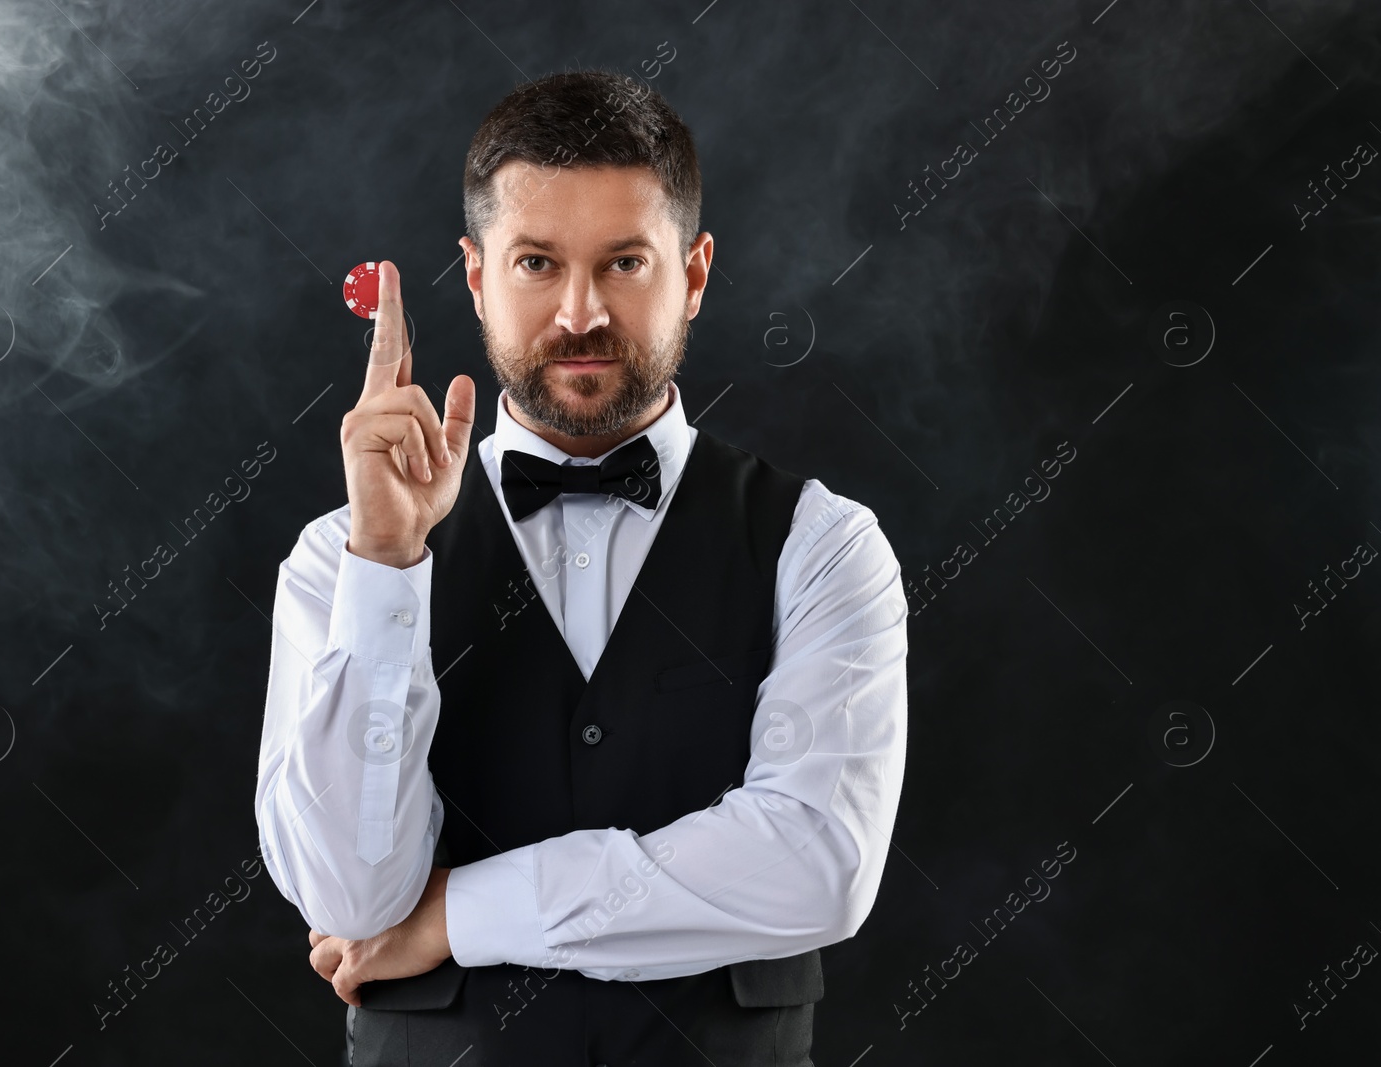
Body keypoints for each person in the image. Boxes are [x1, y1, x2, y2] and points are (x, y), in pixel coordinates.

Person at [254, 69, 908, 1067]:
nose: (577, 312)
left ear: (691, 273)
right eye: (535, 263)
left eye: (622, 263)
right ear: (475, 276)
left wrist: (455, 916)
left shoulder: (822, 545)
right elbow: (349, 897)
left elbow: (818, 866)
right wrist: (387, 564)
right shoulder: (333, 561)